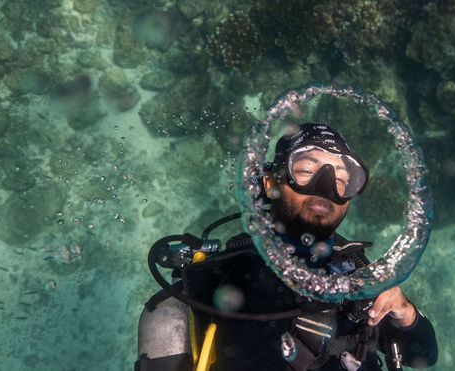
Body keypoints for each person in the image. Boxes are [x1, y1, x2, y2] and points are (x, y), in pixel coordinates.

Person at [136, 123, 438, 370]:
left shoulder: (357, 270)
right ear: (270, 183)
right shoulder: (232, 279)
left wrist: (405, 313)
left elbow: (422, 357)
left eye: (343, 178)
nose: (326, 186)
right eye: (306, 170)